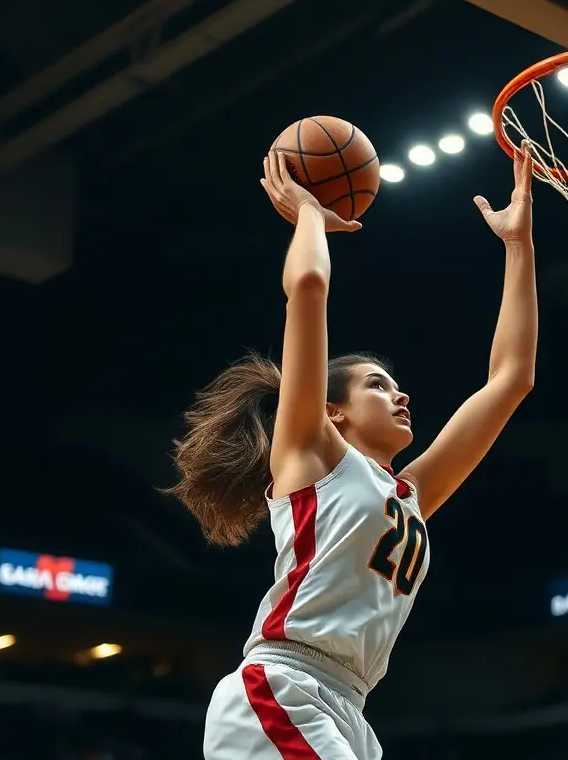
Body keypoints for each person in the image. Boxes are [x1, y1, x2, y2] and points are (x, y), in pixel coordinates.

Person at [167, 145, 538, 759]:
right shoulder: (312, 456)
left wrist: (517, 246)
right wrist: (310, 213)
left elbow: (511, 378)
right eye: (377, 384)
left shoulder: (409, 495)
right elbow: (309, 286)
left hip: (349, 706)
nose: (401, 393)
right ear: (331, 410)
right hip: (282, 686)